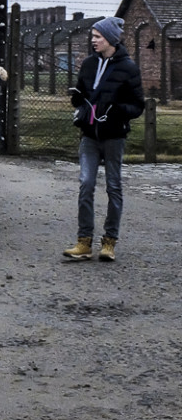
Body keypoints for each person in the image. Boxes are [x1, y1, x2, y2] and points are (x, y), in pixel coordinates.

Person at [63, 16, 144, 262]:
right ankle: (83, 242)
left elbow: (138, 105)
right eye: (93, 36)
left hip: (114, 136)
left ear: (110, 39)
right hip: (89, 134)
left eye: (97, 37)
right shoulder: (88, 64)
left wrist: (119, 111)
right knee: (85, 183)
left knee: (113, 186)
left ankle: (109, 242)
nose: (93, 40)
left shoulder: (128, 68)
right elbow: (82, 93)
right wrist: (77, 98)